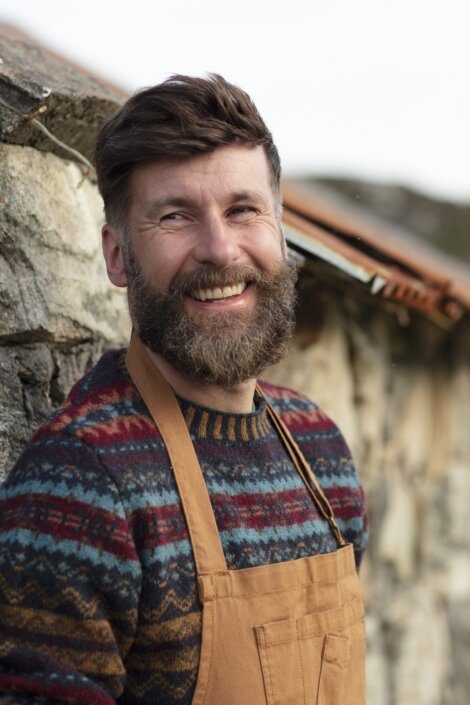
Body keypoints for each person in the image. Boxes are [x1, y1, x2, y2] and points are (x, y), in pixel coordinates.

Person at [0, 74, 368, 705]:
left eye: (243, 210)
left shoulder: (319, 448)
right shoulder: (79, 485)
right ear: (117, 257)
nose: (220, 250)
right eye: (175, 217)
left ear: (279, 231)